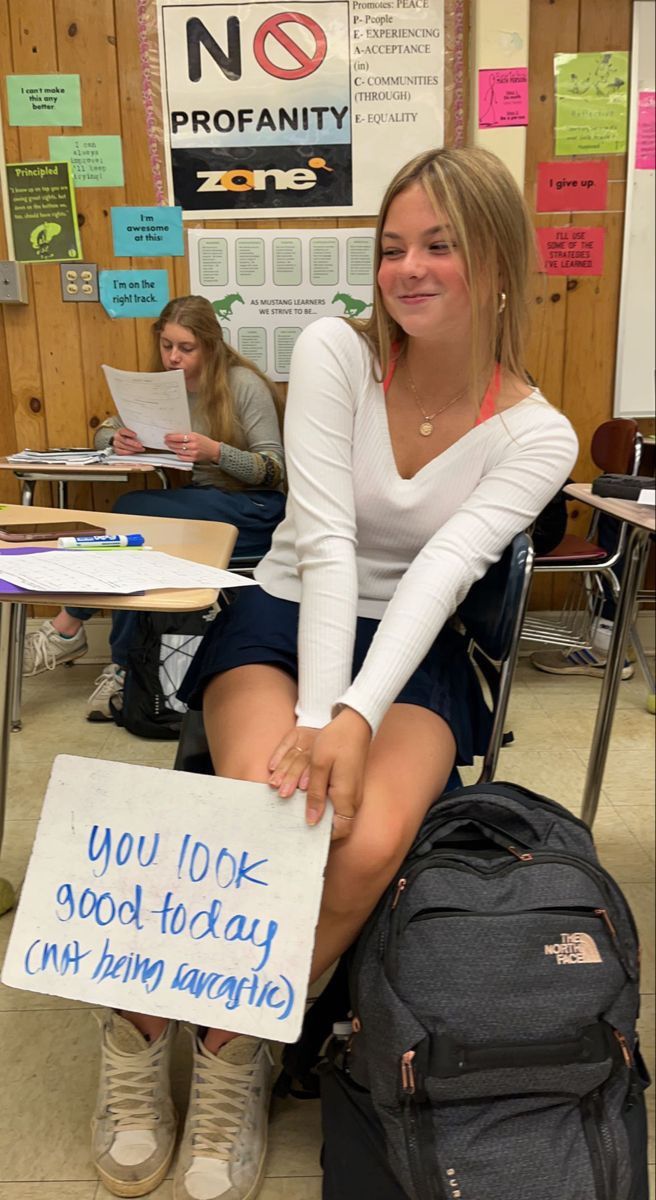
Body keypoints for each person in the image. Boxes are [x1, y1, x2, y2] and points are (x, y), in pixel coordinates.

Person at [89, 148, 578, 1200]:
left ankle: (229, 1049)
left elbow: (442, 573)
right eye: (392, 245)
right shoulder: (332, 353)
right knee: (265, 817)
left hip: (416, 646)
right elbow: (320, 541)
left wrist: (355, 717)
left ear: (496, 264)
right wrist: (320, 718)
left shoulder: (537, 431)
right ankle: (134, 1036)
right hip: (283, 609)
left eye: (439, 245)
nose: (408, 267)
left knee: (363, 846)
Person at [22, 295, 286, 720]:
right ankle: (124, 666)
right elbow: (108, 426)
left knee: (131, 512)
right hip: (204, 505)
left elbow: (275, 471)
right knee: (140, 545)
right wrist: (114, 439)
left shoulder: (243, 385)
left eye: (186, 348)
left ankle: (73, 629)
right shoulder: (165, 386)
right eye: (167, 346)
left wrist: (216, 452)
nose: (173, 358)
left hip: (254, 510)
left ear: (211, 347)